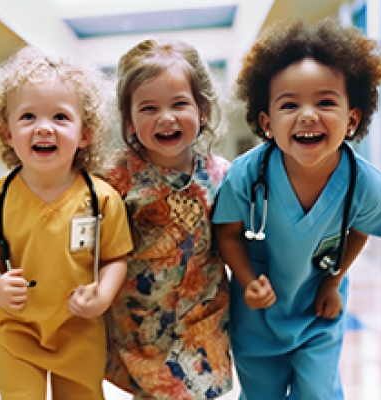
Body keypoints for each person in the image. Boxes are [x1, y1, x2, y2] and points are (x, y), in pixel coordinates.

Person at [212, 18, 381, 399]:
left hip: (318, 308)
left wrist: (332, 282)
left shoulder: (366, 184)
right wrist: (247, 281)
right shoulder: (245, 175)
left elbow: (359, 231)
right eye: (289, 104)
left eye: (325, 102)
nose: (308, 115)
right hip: (258, 314)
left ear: (352, 119)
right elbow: (227, 233)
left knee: (317, 393)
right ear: (267, 122)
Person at [0, 46, 134, 399]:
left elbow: (115, 258)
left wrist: (102, 296)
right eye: (28, 117)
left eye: (60, 117)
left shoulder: (101, 199)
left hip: (78, 330)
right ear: (7, 133)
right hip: (15, 331)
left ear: (84, 134)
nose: (43, 128)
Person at [102, 38, 234, 399]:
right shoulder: (114, 178)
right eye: (148, 108)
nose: (165, 117)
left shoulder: (223, 176)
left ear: (202, 110)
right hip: (140, 327)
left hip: (203, 324)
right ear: (129, 120)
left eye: (179, 104)